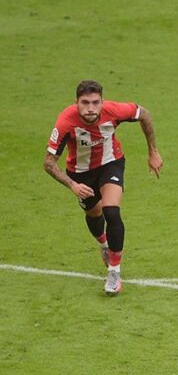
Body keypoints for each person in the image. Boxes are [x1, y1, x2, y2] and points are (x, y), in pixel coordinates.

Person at [43, 80, 163, 296]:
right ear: (76, 103)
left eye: (95, 102)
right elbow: (49, 163)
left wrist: (152, 151)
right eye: (85, 102)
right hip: (80, 174)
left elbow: (143, 114)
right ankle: (104, 244)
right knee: (94, 213)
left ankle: (114, 272)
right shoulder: (65, 123)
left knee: (111, 210)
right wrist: (72, 185)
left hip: (111, 164)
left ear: (102, 102)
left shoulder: (114, 111)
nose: (91, 108)